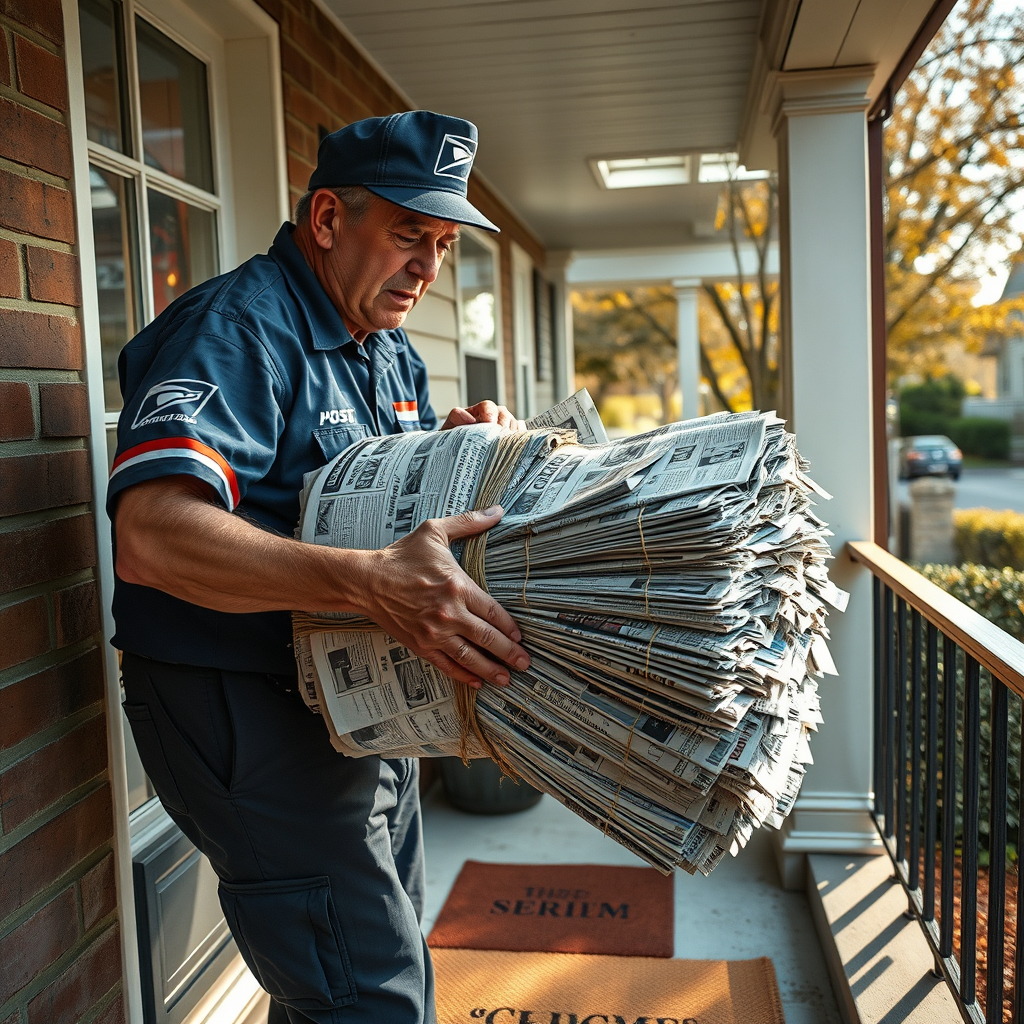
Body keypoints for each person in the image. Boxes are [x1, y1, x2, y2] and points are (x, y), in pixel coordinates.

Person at [109, 111, 530, 1024]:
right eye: (410, 235)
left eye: (445, 244)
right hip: (241, 708)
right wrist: (369, 582)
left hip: (358, 703)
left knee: (366, 963)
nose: (428, 267)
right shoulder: (238, 327)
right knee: (368, 997)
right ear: (330, 219)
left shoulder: (387, 345)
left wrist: (455, 453)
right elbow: (150, 533)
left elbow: (368, 492)